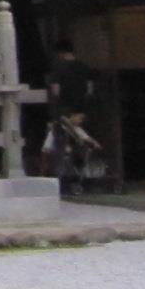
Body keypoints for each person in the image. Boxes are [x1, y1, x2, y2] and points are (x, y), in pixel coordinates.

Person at [44, 41, 100, 195]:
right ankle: (80, 172)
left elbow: (56, 91)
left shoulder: (58, 69)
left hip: (64, 111)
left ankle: (61, 180)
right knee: (82, 142)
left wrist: (55, 110)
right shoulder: (84, 67)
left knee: (61, 145)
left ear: (59, 53)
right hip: (82, 112)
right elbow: (90, 90)